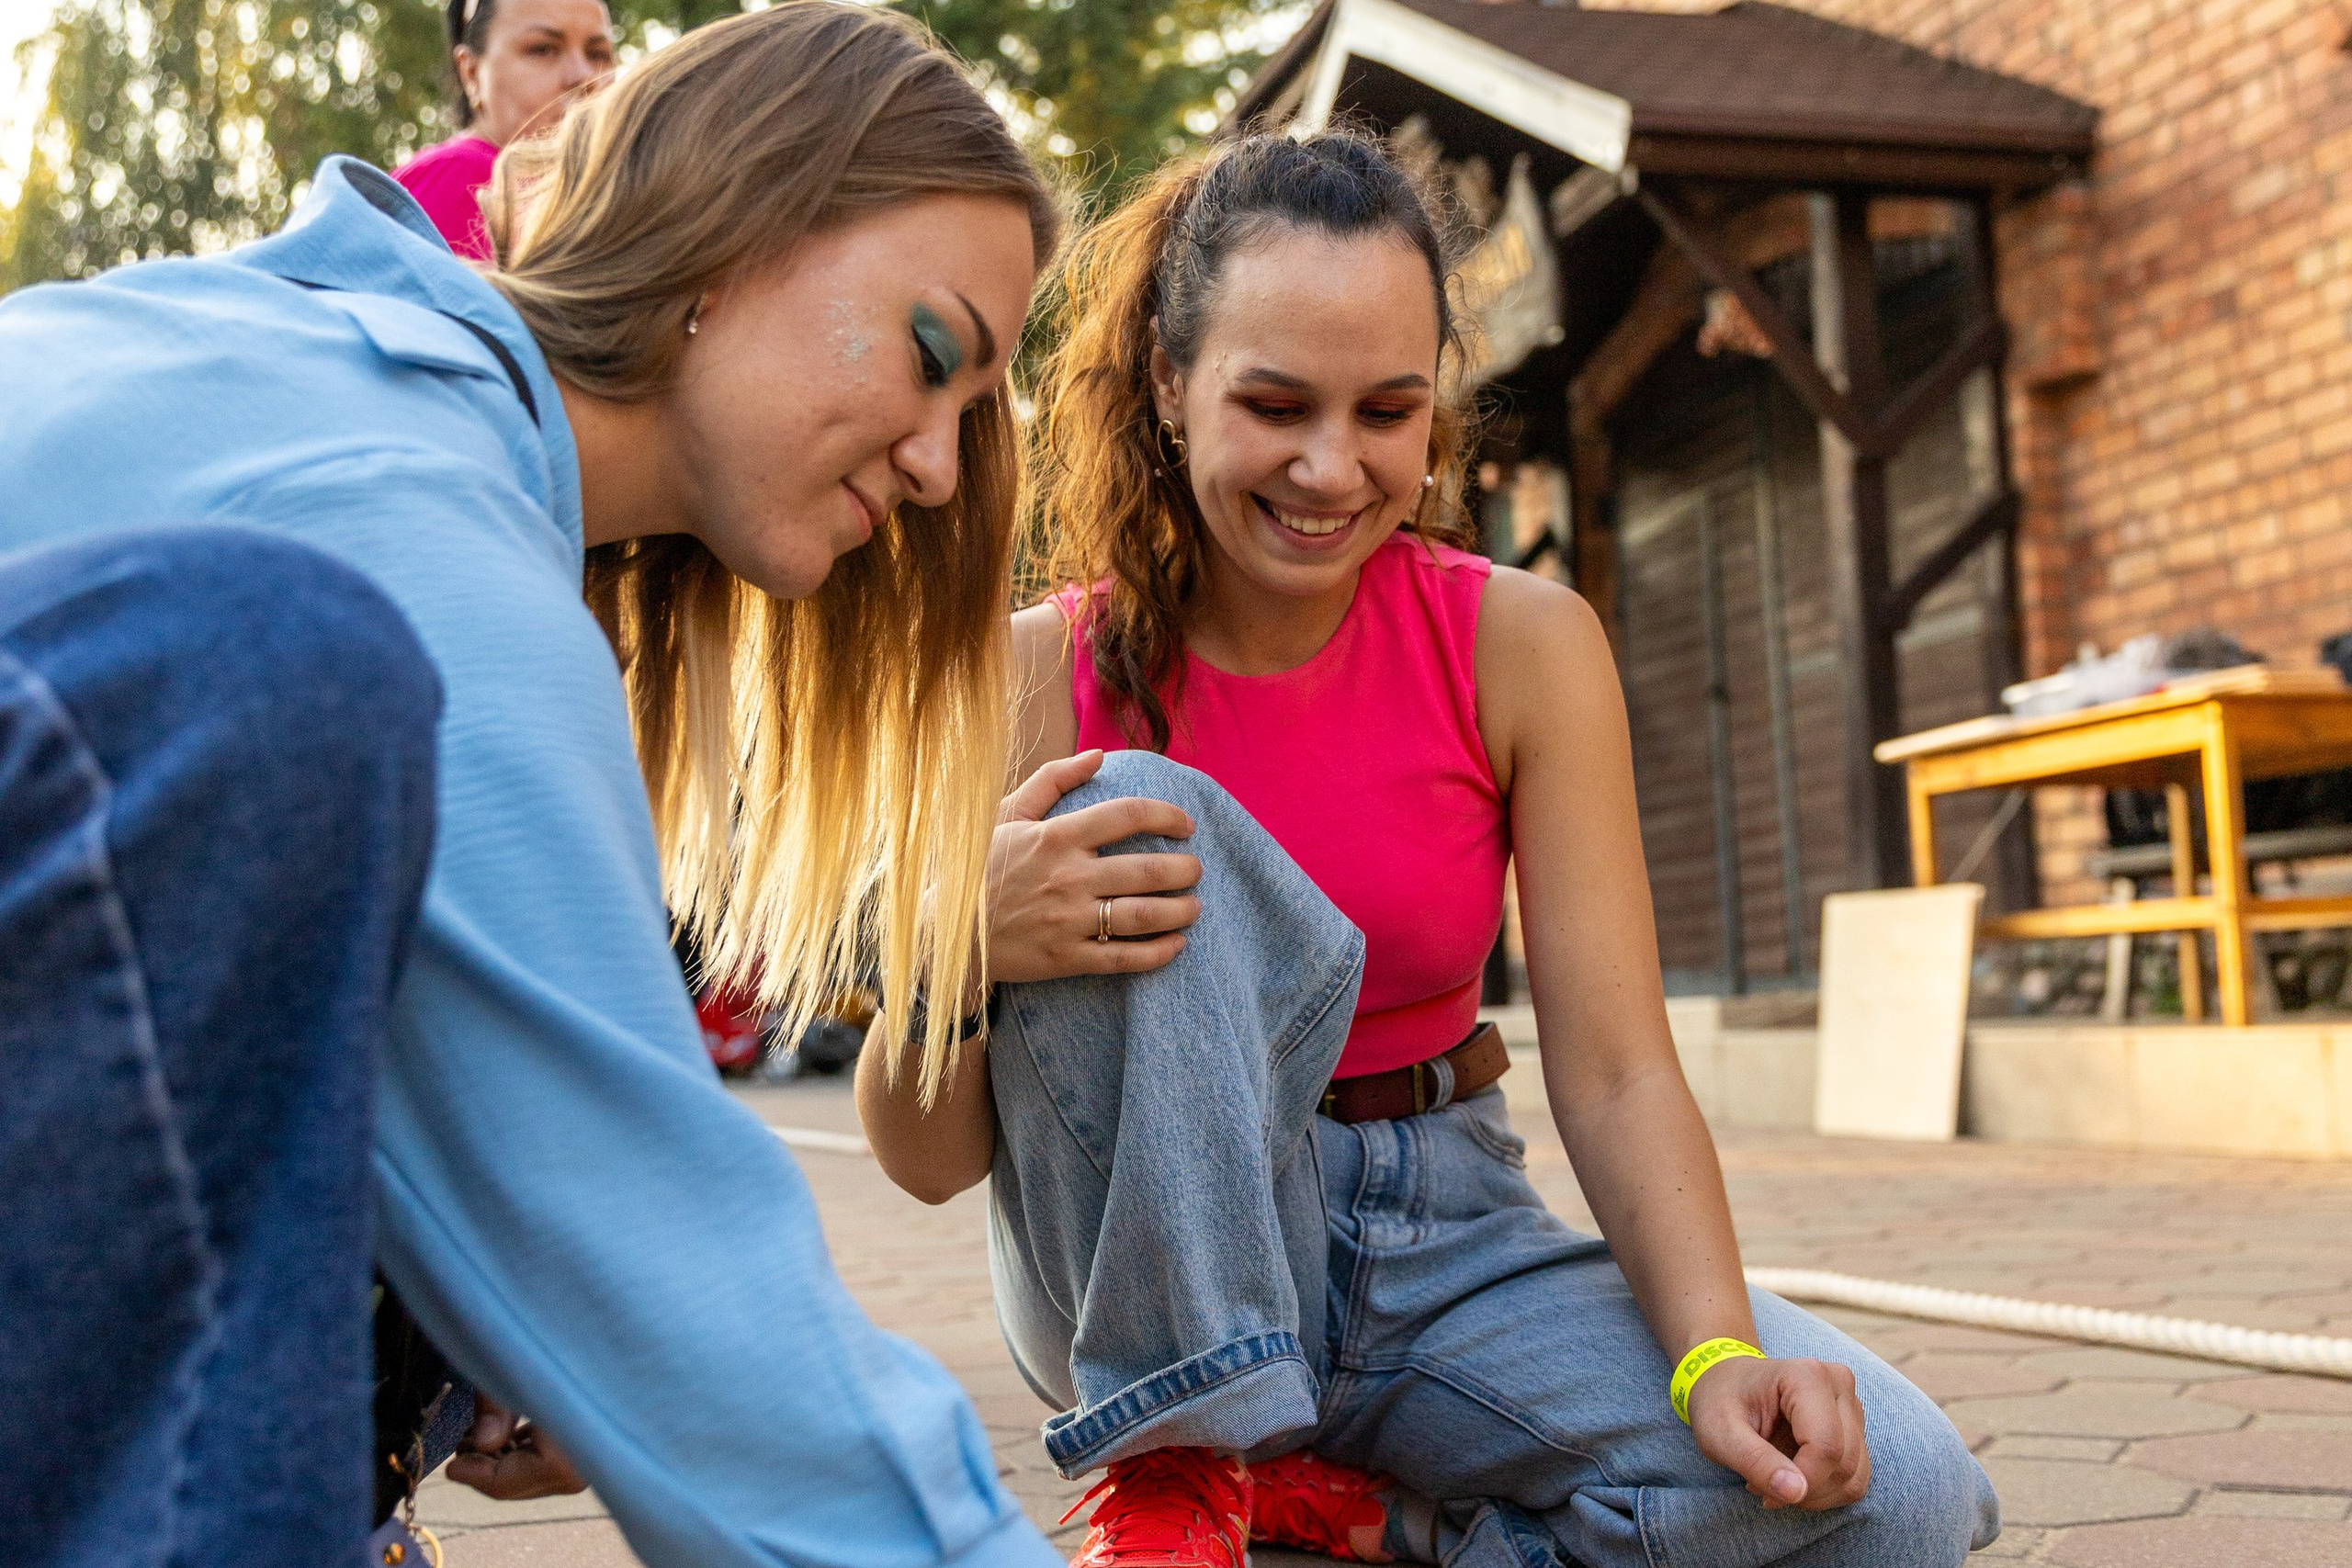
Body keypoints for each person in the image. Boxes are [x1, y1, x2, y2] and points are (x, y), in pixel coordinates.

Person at [0, 6, 1064, 1566]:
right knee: (302, 670)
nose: (940, 470)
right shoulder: (409, 524)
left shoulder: (321, 342)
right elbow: (702, 1319)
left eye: (971, 415)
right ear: (730, 227)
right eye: (928, 356)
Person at [856, 130, 2001, 1568]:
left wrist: (1717, 1353)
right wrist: (957, 942)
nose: (1331, 466)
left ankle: (1374, 1518)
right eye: (1275, 403)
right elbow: (926, 1159)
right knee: (1142, 801)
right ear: (1166, 381)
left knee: (1897, 1489)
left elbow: (1618, 1067)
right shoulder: (1032, 676)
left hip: (1446, 1238)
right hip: (1130, 1270)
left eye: (1387, 410)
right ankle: (1186, 1450)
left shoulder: (1520, 641)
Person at [392, 0, 616, 259]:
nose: (584, 76)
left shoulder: (605, 198)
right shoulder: (455, 180)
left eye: (598, 54)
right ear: (471, 73)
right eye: (542, 49)